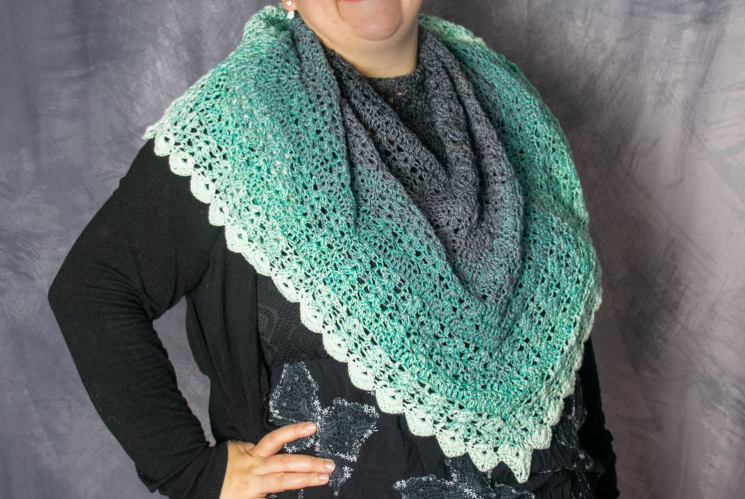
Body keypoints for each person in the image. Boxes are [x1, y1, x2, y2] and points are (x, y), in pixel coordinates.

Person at [48, 1, 619, 498]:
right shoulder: (240, 124)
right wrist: (192, 472)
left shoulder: (508, 107)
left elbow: (561, 342)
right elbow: (94, 288)